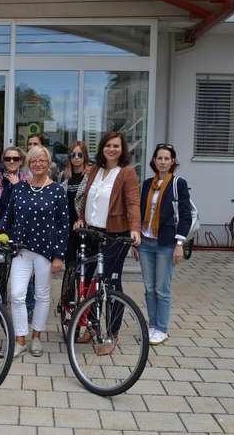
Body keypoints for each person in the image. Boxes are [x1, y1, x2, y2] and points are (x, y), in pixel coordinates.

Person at [0, 146, 68, 357]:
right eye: (34, 160)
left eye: (42, 160)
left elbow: (63, 225)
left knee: (42, 295)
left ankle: (36, 337)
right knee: (17, 295)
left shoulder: (57, 190)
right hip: (21, 249)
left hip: (45, 252)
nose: (38, 164)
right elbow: (8, 215)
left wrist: (59, 256)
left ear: (48, 163)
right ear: (29, 163)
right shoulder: (20, 188)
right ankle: (20, 339)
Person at [77, 131, 141, 356]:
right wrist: (81, 217)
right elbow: (86, 197)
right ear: (102, 148)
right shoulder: (95, 169)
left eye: (116, 146)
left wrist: (134, 229)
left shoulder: (126, 173)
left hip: (116, 234)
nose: (112, 149)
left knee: (111, 283)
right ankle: (93, 327)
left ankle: (112, 333)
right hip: (92, 232)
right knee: (91, 283)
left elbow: (133, 203)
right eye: (108, 145)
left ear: (122, 149)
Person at [134, 144, 191, 345]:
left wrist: (179, 244)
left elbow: (185, 216)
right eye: (160, 158)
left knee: (161, 288)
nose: (163, 162)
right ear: (154, 161)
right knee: (149, 288)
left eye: (167, 158)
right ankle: (152, 326)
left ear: (173, 161)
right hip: (146, 243)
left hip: (166, 243)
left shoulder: (178, 183)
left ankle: (162, 328)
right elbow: (140, 213)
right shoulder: (147, 183)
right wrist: (136, 242)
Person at [0, 146, 30, 302]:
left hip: (21, 231)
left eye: (15, 159)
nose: (12, 161)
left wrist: (17, 185)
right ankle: (0, 304)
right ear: (3, 161)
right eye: (8, 159)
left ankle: (28, 305)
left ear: (21, 161)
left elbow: (27, 207)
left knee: (23, 271)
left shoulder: (27, 180)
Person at [61, 141, 91, 263]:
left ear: (85, 156)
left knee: (84, 263)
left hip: (84, 223)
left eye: (80, 154)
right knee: (70, 263)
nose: (76, 158)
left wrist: (82, 219)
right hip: (67, 224)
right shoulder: (64, 176)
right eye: (73, 155)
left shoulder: (90, 175)